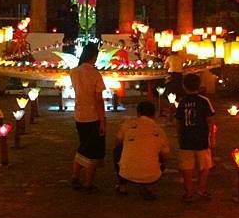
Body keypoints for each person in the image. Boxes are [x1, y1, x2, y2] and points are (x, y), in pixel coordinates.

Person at [114, 101, 170, 200]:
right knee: (161, 154)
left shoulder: (128, 124)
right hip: (152, 175)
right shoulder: (159, 130)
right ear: (154, 114)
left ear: (138, 113)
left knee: (117, 150)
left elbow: (118, 142)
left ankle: (122, 186)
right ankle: (149, 185)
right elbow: (165, 156)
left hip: (126, 172)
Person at [70, 43, 106, 192]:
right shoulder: (95, 74)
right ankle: (88, 183)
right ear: (94, 57)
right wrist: (103, 120)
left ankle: (75, 176)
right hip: (93, 116)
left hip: (79, 115)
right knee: (92, 150)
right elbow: (98, 99)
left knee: (83, 146)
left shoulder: (74, 72)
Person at [175, 73, 215, 202]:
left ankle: (189, 193)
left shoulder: (182, 101)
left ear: (184, 86)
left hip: (186, 139)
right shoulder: (204, 100)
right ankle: (201, 189)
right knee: (205, 165)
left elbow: (178, 122)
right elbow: (210, 120)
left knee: (187, 167)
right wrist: (212, 137)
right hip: (202, 138)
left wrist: (179, 136)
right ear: (199, 85)